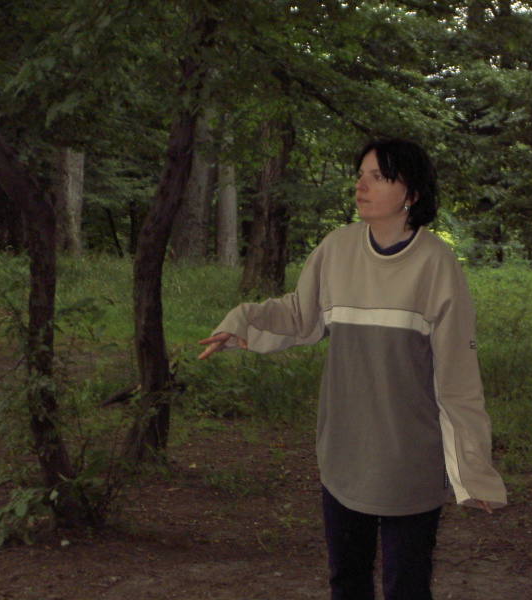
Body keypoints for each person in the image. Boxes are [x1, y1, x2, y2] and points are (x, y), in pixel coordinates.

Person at [199, 138, 507, 600]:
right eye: (360, 175)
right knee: (347, 582)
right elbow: (299, 315)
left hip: (410, 462)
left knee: (407, 588)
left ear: (412, 193)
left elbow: (458, 379)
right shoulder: (336, 249)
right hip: (343, 456)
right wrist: (242, 322)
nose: (361, 185)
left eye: (378, 177)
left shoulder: (436, 265)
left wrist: (473, 469)